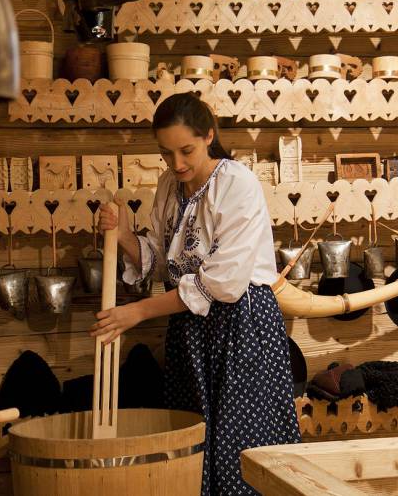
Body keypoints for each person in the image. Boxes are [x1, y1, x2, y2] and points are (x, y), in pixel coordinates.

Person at [89, 93, 300, 495]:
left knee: (242, 453)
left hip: (241, 329)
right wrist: (121, 235)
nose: (177, 164)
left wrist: (138, 313)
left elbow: (221, 283)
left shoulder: (236, 183)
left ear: (208, 136)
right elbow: (160, 259)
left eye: (185, 151)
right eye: (166, 154)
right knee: (196, 451)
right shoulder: (170, 186)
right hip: (190, 331)